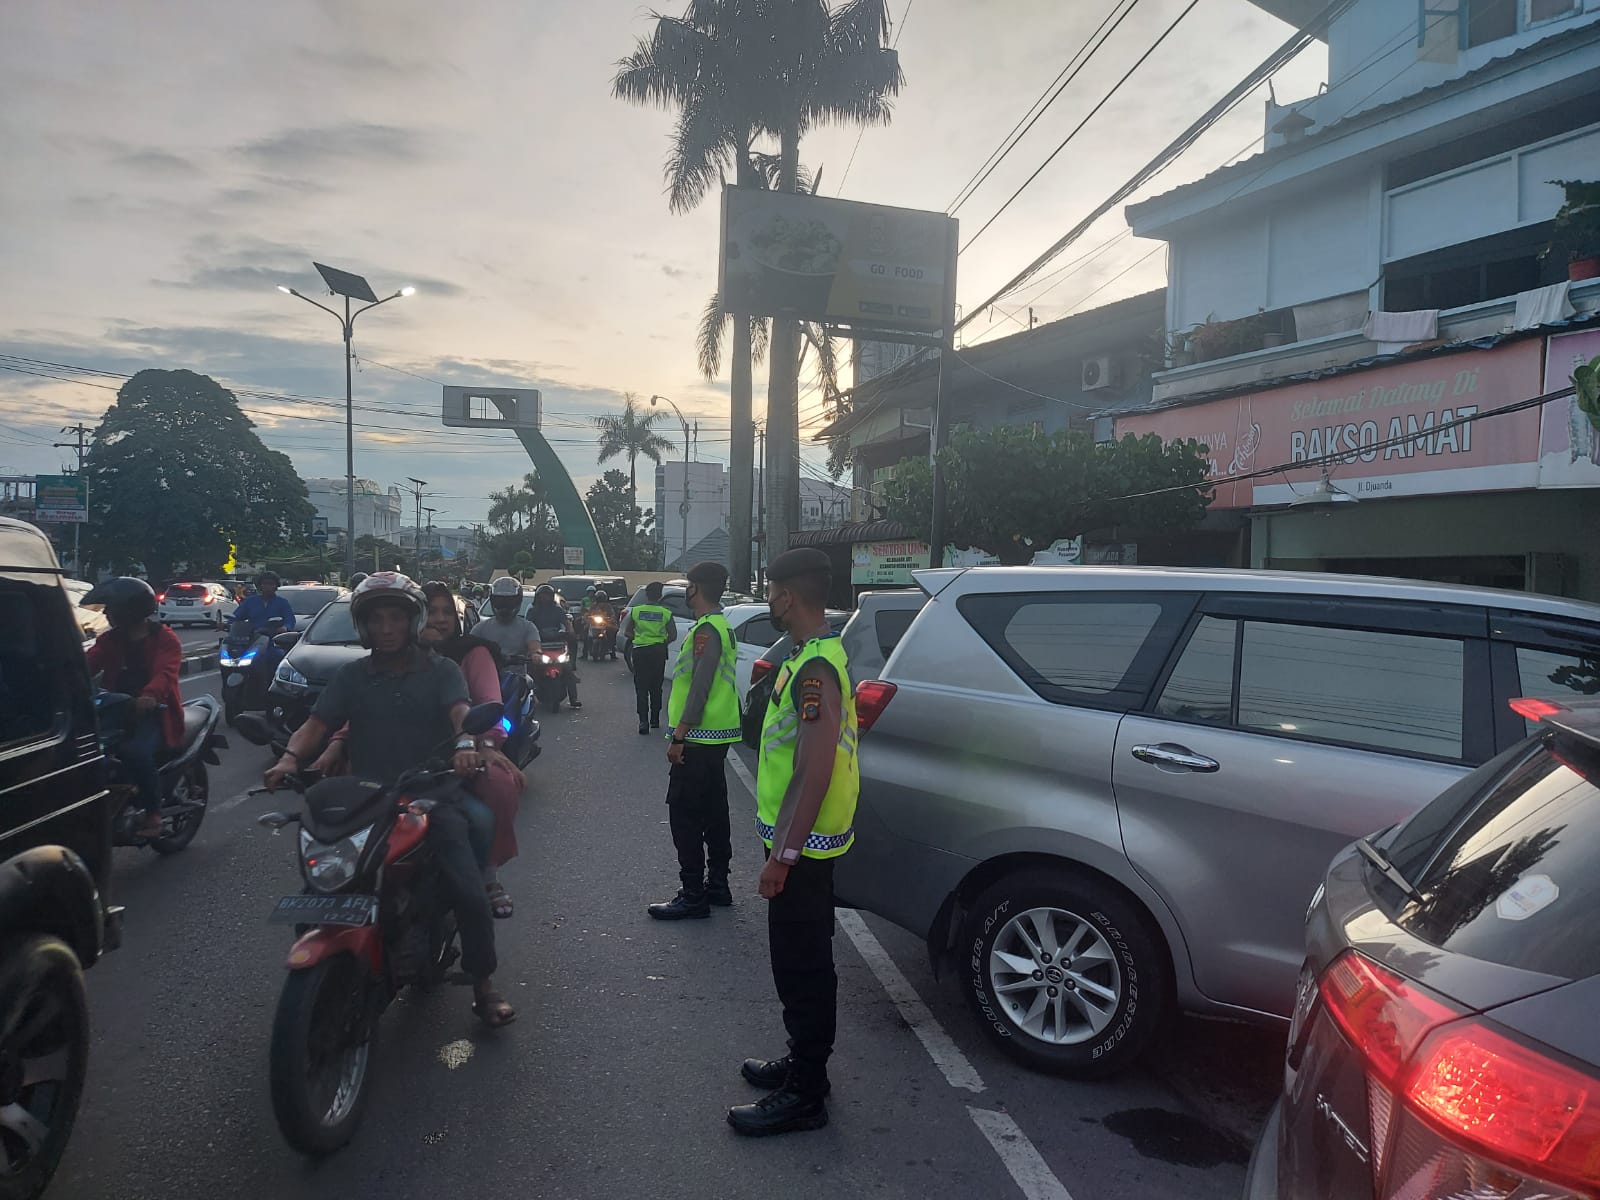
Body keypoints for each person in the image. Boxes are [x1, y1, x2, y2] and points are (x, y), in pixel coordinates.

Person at [263, 573, 514, 1027]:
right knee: (321, 884)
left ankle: (482, 984)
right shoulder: (352, 675)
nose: (385, 628)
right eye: (376, 619)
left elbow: (461, 714)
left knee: (468, 890)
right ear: (363, 626)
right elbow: (317, 725)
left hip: (431, 796)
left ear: (411, 621)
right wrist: (288, 760)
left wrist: (464, 747)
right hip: (366, 799)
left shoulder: (442, 670)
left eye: (395, 618)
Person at [728, 547, 858, 1137]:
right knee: (800, 960)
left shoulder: (815, 669)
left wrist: (782, 856)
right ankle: (803, 1064)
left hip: (802, 849)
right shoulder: (813, 655)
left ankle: (806, 1092)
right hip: (802, 842)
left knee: (803, 965)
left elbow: (813, 769)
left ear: (788, 595)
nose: (771, 599)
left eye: (774, 590)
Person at [312, 581, 526, 920]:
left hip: (448, 762)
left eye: (446, 613)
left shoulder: (459, 660)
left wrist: (474, 744)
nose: (438, 621)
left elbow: (479, 708)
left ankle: (486, 878)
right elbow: (364, 710)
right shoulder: (371, 666)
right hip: (386, 766)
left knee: (491, 797)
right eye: (432, 612)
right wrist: (333, 745)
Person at [648, 563, 741, 920]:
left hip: (698, 737)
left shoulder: (707, 631)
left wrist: (679, 734)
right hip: (717, 737)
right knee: (715, 810)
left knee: (684, 814)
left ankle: (693, 894)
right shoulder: (722, 625)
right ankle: (718, 884)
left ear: (694, 589)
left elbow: (699, 687)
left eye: (688, 586)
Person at [84, 577, 185, 838]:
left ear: (131, 610)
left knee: (135, 753)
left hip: (154, 713)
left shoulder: (165, 639)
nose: (106, 613)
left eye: (112, 608)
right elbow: (86, 666)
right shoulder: (109, 640)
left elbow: (166, 673)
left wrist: (149, 697)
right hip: (114, 709)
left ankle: (153, 814)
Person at [623, 581, 676, 735]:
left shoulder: (636, 611)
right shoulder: (666, 613)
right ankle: (655, 720)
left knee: (641, 687)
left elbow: (627, 632)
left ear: (646, 594)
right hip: (658, 652)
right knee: (656, 687)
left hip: (640, 652)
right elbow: (673, 635)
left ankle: (643, 722)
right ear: (660, 595)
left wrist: (639, 638)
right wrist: (661, 641)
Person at [527, 584, 581, 710]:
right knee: (530, 671)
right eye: (543, 595)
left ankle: (574, 698)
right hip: (539, 648)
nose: (545, 598)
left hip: (558, 647)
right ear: (538, 597)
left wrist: (571, 632)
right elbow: (528, 627)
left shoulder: (558, 610)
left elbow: (567, 623)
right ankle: (528, 698)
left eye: (548, 595)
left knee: (568, 670)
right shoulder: (533, 611)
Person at [471, 577, 540, 664]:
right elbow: (469, 647)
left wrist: (536, 654)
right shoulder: (480, 628)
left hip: (519, 675)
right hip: (487, 675)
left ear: (518, 601)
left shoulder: (528, 627)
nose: (504, 608)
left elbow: (534, 646)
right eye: (500, 602)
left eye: (509, 603)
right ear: (492, 601)